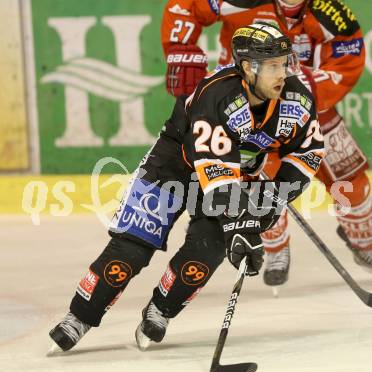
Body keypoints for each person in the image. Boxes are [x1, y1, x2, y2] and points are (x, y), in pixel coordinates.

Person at [49, 23, 324, 353]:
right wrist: (242, 227)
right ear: (249, 67)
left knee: (207, 251)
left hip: (231, 175)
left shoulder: (297, 101)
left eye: (285, 63)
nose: (284, 73)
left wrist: (270, 201)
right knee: (131, 249)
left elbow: (307, 152)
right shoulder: (218, 95)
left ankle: (161, 310)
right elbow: (217, 176)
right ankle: (79, 316)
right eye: (274, 66)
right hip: (173, 166)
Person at [161, 0, 371, 287]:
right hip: (244, 106)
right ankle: (275, 247)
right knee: (259, 181)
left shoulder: (328, 11)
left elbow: (348, 54)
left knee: (350, 177)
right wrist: (179, 47)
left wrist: (309, 85)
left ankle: (364, 239)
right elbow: (187, 6)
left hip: (310, 105)